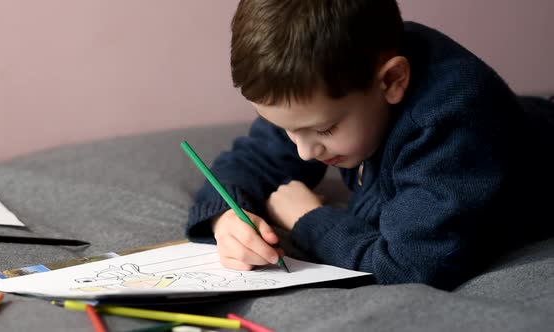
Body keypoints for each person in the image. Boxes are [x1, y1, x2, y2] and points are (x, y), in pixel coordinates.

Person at [184, 0, 554, 290]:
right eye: (285, 130)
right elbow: (250, 161)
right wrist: (227, 217)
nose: (302, 152)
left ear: (392, 81)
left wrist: (306, 219)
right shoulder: (317, 85)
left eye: (325, 130)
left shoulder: (450, 124)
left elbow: (409, 266)